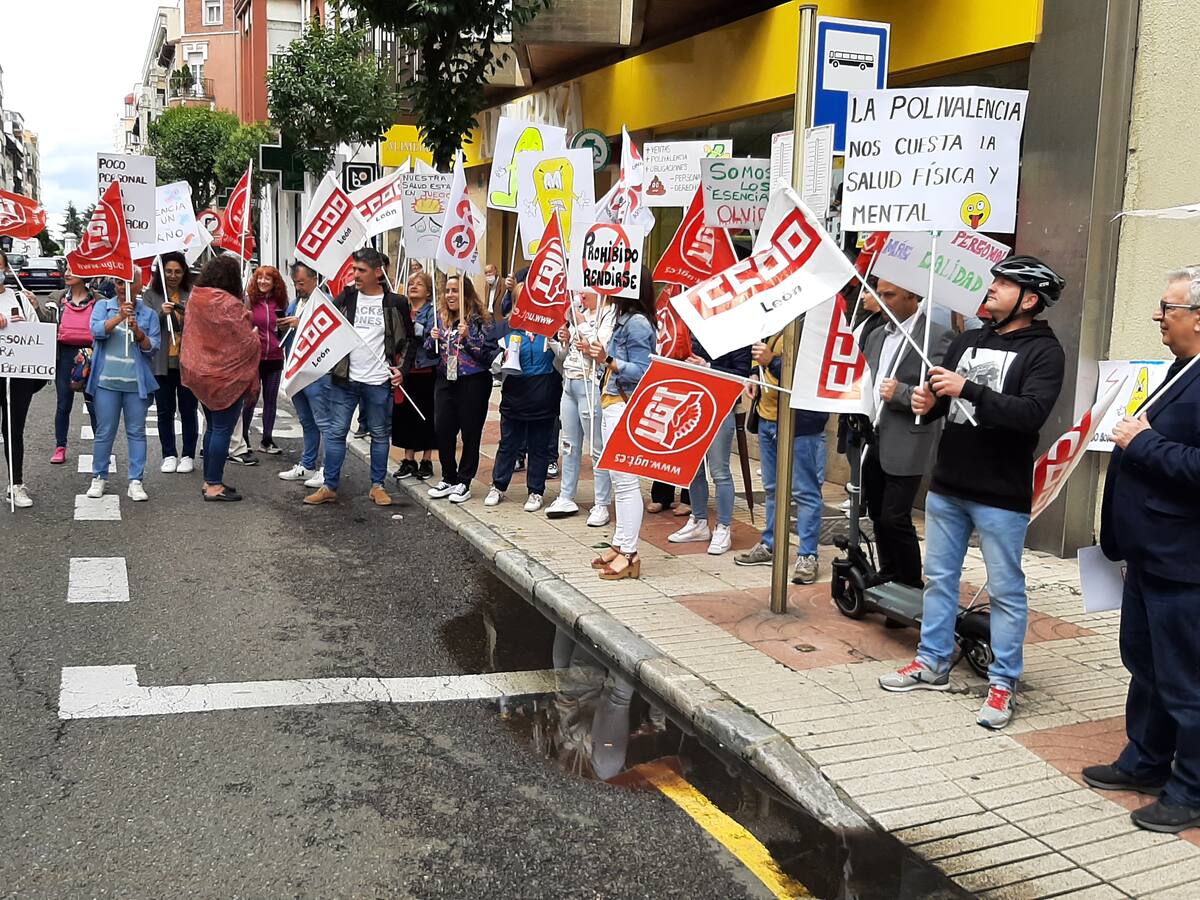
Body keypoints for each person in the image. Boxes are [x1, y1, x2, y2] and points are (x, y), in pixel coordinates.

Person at [879, 255, 1067, 731]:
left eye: (1004, 285)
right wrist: (928, 402)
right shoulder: (967, 340)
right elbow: (943, 404)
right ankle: (932, 662)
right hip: (949, 485)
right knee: (940, 579)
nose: (991, 289)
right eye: (994, 281)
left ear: (1029, 299)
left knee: (1006, 590)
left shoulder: (1045, 352)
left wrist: (968, 389)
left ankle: (1003, 682)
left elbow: (1028, 414)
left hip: (1001, 493)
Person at [1084, 266, 1200, 833]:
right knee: (1146, 666)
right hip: (1150, 554)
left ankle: (1192, 790)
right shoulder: (1183, 370)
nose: (1158, 316)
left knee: (1187, 682)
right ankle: (1145, 762)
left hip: (1186, 563)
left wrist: (1144, 442)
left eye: (1167, 307)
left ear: (1198, 318)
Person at [859, 279, 953, 588]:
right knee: (876, 513)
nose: (881, 300)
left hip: (907, 441)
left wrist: (900, 393)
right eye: (879, 294)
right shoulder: (875, 335)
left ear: (912, 296)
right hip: (873, 437)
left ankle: (910, 582)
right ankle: (889, 575)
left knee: (894, 516)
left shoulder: (935, 337)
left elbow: (940, 394)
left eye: (889, 295)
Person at [306, 247, 413, 507]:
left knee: (379, 434)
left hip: (378, 381)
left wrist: (403, 370)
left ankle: (377, 486)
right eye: (354, 269)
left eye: (361, 270)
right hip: (345, 380)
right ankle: (329, 485)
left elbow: (409, 340)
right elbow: (327, 326)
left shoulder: (395, 302)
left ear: (378, 272)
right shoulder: (347, 297)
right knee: (336, 432)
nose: (355, 274)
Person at [733, 330, 828, 583]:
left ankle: (808, 555)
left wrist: (772, 361)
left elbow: (813, 374)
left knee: (805, 491)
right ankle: (771, 543)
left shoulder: (814, 323)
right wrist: (754, 374)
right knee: (773, 489)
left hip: (801, 423)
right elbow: (756, 353)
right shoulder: (772, 319)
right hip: (768, 418)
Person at [586, 268, 656, 580]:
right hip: (613, 403)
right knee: (619, 481)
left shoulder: (638, 323)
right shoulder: (623, 319)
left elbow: (644, 370)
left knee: (626, 483)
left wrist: (609, 361)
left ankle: (629, 553)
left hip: (624, 406)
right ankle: (621, 544)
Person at [181, 255, 260, 502]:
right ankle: (214, 485)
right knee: (223, 429)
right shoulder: (230, 303)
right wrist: (255, 337)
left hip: (200, 371)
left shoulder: (196, 297)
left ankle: (209, 481)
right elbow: (244, 340)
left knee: (213, 427)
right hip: (226, 376)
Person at [669, 338, 752, 556]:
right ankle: (698, 521)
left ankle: (723, 527)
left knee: (719, 471)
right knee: (694, 469)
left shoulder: (737, 333)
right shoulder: (694, 330)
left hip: (721, 405)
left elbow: (742, 373)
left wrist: (707, 366)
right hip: (692, 401)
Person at [85, 270, 161, 502]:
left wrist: (138, 332)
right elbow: (95, 332)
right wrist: (118, 317)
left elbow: (152, 348)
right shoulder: (102, 307)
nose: (123, 286)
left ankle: (135, 480)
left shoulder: (148, 314)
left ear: (139, 285)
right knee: (104, 432)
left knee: (136, 432)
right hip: (105, 382)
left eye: (129, 282)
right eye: (119, 282)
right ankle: (99, 476)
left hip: (136, 384)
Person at [544, 291, 614, 525]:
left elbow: (600, 348)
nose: (582, 295)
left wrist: (581, 325)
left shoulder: (608, 314)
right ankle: (566, 495)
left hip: (591, 384)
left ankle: (602, 503)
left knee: (596, 446)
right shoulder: (580, 314)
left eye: (587, 289)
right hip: (570, 382)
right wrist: (561, 338)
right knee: (569, 444)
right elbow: (566, 354)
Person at [426, 274, 496, 504]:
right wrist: (431, 339)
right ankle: (449, 476)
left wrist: (468, 339)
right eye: (447, 290)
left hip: (473, 382)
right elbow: (429, 351)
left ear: (465, 292)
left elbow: (488, 356)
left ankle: (464, 481)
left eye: (455, 290)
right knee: (443, 429)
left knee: (470, 432)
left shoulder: (481, 320)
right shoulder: (440, 318)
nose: (450, 295)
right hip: (446, 380)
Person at [484, 324, 563, 512]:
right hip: (515, 396)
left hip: (544, 395)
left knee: (539, 446)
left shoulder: (552, 330)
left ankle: (536, 491)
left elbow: (564, 358)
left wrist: (557, 339)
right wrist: (501, 357)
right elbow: (491, 357)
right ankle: (498, 486)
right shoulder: (507, 330)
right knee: (508, 444)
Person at [0, 252, 51, 508]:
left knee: (13, 428)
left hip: (17, 374)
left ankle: (16, 483)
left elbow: (37, 332)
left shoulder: (19, 297)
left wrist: (27, 315)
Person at [143, 252, 199, 474]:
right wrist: (160, 313)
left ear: (184, 272)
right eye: (168, 271)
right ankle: (169, 454)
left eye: (177, 271)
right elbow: (144, 326)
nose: (173, 276)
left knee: (188, 410)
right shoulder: (151, 295)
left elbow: (200, 323)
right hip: (161, 364)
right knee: (165, 411)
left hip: (187, 363)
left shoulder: (192, 293)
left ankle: (188, 454)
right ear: (161, 272)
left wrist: (184, 316)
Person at [278, 262, 330, 488]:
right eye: (295, 283)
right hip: (296, 370)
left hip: (317, 371)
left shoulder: (326, 301)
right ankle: (307, 464)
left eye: (301, 282)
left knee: (324, 422)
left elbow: (328, 333)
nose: (298, 287)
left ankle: (327, 469)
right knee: (306, 421)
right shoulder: (295, 303)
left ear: (314, 279)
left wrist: (301, 324)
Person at [43, 267, 98, 465]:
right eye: (66, 269)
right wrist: (34, 304)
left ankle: (100, 448)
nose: (66, 273)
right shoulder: (57, 297)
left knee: (94, 405)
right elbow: (45, 320)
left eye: (72, 270)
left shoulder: (99, 299)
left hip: (91, 356)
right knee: (63, 404)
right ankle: (60, 446)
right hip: (64, 355)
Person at [392, 270, 437, 482]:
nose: (414, 286)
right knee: (406, 415)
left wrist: (411, 329)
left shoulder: (432, 312)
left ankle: (426, 459)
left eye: (419, 283)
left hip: (426, 369)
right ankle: (408, 458)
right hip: (405, 369)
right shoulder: (403, 309)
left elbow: (427, 336)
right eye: (411, 283)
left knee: (426, 414)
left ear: (428, 291)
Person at [242, 265, 288, 455]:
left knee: (270, 400)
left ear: (274, 282)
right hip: (254, 358)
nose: (262, 281)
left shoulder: (281, 303)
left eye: (267, 278)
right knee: (250, 398)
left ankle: (267, 440)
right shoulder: (249, 301)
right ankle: (243, 438)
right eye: (259, 278)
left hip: (275, 357)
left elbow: (285, 329)